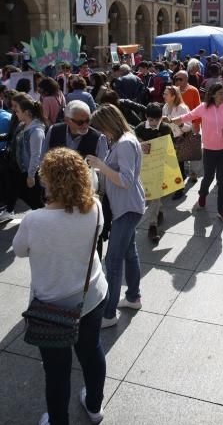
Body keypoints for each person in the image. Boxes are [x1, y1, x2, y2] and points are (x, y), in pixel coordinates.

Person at [12, 147, 108, 425]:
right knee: (91, 353)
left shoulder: (34, 220)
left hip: (51, 305)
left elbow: (19, 250)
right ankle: (94, 406)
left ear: (49, 181)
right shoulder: (95, 207)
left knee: (57, 371)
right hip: (90, 297)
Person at [88, 104, 145, 328]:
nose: (102, 133)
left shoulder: (125, 143)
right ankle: (133, 297)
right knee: (129, 253)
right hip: (127, 207)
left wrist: (101, 165)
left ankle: (108, 314)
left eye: (101, 128)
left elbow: (125, 179)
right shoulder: (124, 140)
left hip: (128, 208)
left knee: (113, 260)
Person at [170, 83, 223, 224]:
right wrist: (171, 120)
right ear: (213, 94)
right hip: (209, 149)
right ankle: (202, 195)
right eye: (220, 93)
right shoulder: (204, 107)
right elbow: (188, 116)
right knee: (208, 176)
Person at [135, 103, 173, 244]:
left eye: (157, 120)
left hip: (159, 166)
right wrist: (140, 144)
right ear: (146, 117)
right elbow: (133, 145)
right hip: (144, 167)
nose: (154, 123)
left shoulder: (165, 128)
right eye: (151, 120)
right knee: (150, 196)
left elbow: (171, 146)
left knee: (155, 195)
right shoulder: (139, 128)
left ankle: (152, 225)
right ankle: (159, 211)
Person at [41, 100, 108, 161]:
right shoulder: (54, 131)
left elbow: (102, 170)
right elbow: (43, 158)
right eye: (80, 122)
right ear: (67, 120)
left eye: (87, 121)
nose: (85, 126)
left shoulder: (99, 138)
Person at [162, 85, 191, 199]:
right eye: (164, 93)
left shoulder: (182, 108)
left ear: (173, 96)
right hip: (168, 138)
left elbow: (188, 127)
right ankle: (174, 184)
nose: (163, 95)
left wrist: (179, 123)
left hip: (179, 139)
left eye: (166, 94)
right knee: (171, 164)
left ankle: (179, 189)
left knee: (178, 165)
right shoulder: (165, 106)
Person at [172, 70, 202, 183]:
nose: (178, 81)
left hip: (191, 125)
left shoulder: (193, 90)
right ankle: (182, 171)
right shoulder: (173, 91)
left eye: (180, 79)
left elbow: (197, 109)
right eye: (176, 79)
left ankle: (193, 172)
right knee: (180, 149)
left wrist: (196, 125)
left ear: (186, 79)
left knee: (193, 148)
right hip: (177, 126)